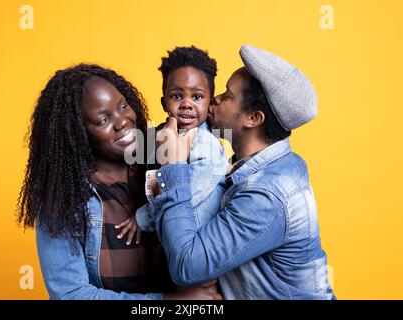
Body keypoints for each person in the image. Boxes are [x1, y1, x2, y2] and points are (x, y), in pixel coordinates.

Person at [17, 63, 222, 300]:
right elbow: (70, 294)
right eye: (103, 120)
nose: (122, 121)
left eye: (123, 106)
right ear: (78, 133)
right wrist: (168, 302)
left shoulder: (165, 162)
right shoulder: (64, 198)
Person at [149, 45, 335, 300]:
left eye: (226, 95)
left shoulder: (266, 194)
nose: (214, 99)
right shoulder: (257, 168)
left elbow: (186, 266)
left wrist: (174, 166)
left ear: (253, 119)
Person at [114, 46, 228, 244]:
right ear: (164, 102)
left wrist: (143, 217)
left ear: (210, 103)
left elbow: (188, 194)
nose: (186, 103)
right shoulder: (159, 135)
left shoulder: (205, 144)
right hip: (171, 237)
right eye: (177, 96)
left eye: (197, 97)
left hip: (197, 241)